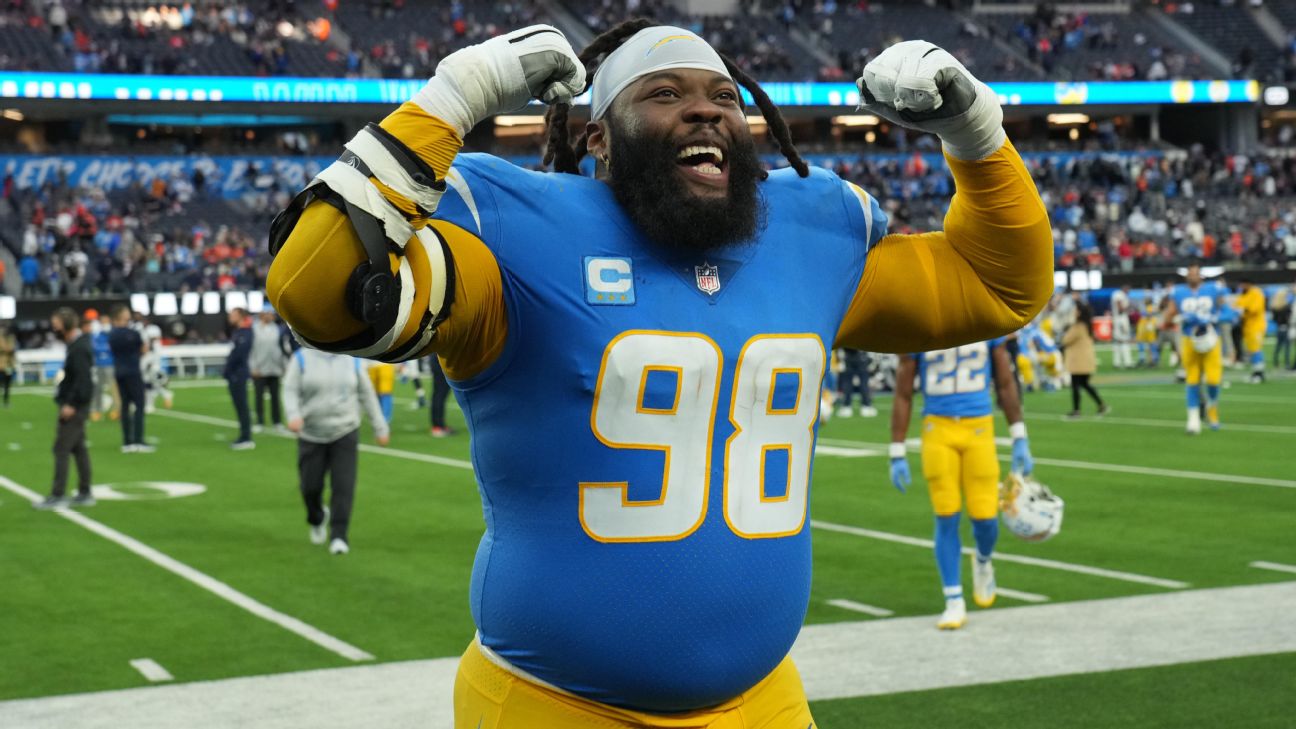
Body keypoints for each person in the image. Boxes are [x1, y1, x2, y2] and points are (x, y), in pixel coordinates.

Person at [265, 23, 1052, 727]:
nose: (706, 109)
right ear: (599, 138)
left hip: (761, 700)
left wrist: (974, 131)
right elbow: (317, 291)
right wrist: (451, 98)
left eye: (724, 97)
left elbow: (1000, 285)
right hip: (556, 705)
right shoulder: (519, 233)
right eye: (665, 93)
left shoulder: (806, 233)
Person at [888, 338, 1033, 630]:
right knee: (946, 514)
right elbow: (904, 393)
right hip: (937, 428)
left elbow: (1005, 382)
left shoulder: (984, 319)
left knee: (986, 518)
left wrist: (1019, 434)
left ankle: (982, 559)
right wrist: (896, 450)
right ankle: (953, 599)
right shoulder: (920, 325)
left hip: (979, 425)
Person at [282, 347, 390, 555]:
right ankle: (317, 517)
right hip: (311, 433)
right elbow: (289, 389)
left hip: (346, 431)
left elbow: (366, 393)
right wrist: (293, 414)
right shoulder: (301, 358)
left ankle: (339, 535)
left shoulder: (352, 360)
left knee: (343, 486)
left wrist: (380, 427)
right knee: (310, 487)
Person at [35, 308, 95, 509]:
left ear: (67, 325)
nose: (54, 329)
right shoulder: (77, 345)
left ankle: (58, 494)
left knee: (61, 448)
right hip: (76, 403)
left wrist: (71, 404)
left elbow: (82, 380)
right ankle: (85, 491)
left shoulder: (78, 348)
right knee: (79, 449)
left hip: (75, 406)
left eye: (57, 325)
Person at [1168, 264, 1224, 434]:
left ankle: (1211, 409)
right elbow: (1170, 312)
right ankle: (1193, 421)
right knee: (1192, 379)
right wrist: (1171, 318)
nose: (1193, 276)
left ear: (1201, 275)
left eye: (1195, 273)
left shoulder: (1214, 289)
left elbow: (1225, 308)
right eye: (1190, 273)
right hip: (1189, 339)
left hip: (1211, 338)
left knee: (1213, 380)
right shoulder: (1178, 292)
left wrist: (1214, 317)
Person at [107, 304, 152, 453]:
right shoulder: (133, 333)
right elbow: (144, 349)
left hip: (119, 371)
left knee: (125, 406)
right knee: (139, 404)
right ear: (121, 315)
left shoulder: (112, 334)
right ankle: (139, 440)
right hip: (133, 371)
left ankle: (127, 441)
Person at [1061, 304, 1108, 419]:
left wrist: (1067, 329)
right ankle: (1101, 405)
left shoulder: (1078, 326)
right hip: (1086, 361)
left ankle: (1076, 410)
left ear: (1079, 312)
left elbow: (1066, 340)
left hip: (1078, 361)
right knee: (1085, 384)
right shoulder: (1087, 326)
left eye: (1075, 310)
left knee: (1076, 385)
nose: (1074, 312)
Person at [250, 308, 290, 431]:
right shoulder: (254, 330)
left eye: (271, 314)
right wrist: (253, 367)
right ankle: (260, 422)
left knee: (275, 397)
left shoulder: (278, 329)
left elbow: (283, 348)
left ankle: (277, 422)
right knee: (259, 397)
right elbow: (251, 350)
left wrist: (284, 366)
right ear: (262, 315)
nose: (270, 316)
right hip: (260, 369)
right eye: (267, 314)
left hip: (275, 368)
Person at [224, 307, 255, 449]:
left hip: (239, 373)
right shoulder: (238, 332)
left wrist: (229, 370)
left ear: (241, 316)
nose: (230, 317)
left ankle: (246, 437)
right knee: (239, 405)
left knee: (242, 406)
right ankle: (244, 436)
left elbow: (239, 355)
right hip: (235, 373)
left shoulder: (245, 333)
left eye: (233, 315)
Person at [86, 310, 118, 422]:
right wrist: (106, 349)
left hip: (111, 364)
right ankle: (96, 410)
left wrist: (104, 349)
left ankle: (116, 410)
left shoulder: (113, 334)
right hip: (98, 365)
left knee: (114, 389)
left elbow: (113, 348)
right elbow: (95, 348)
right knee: (97, 389)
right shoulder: (97, 335)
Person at [1236, 278, 1267, 384]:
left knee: (1256, 349)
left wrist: (1243, 310)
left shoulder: (1256, 293)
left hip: (1256, 326)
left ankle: (1259, 373)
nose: (1241, 287)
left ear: (1248, 284)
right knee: (1251, 350)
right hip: (1247, 327)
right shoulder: (1244, 294)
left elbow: (1253, 309)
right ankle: (1256, 372)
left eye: (1243, 284)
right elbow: (1237, 307)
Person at [834, 348, 877, 417]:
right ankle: (865, 406)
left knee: (851, 383)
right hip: (859, 356)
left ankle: (848, 406)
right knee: (861, 383)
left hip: (851, 356)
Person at [428, 355, 454, 437]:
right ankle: (438, 426)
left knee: (439, 393)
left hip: (438, 360)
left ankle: (439, 424)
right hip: (440, 360)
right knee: (440, 394)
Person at [1110, 283, 1134, 369]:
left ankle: (1117, 362)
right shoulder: (1119, 294)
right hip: (1120, 319)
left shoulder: (1120, 295)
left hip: (1119, 319)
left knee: (1119, 341)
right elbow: (1120, 308)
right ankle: (1127, 362)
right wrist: (1129, 307)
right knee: (1124, 340)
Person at [1271, 283, 1292, 369]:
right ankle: (1287, 364)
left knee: (1278, 346)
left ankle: (1275, 362)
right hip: (1286, 328)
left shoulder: (1274, 307)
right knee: (1287, 347)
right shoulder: (1286, 307)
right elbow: (1289, 318)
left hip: (1279, 328)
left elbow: (1274, 319)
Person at [0, 323, 15, 408]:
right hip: (1, 365)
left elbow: (11, 349)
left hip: (8, 365)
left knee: (7, 385)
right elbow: (7, 349)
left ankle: (6, 402)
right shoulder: (1, 338)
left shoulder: (11, 338)